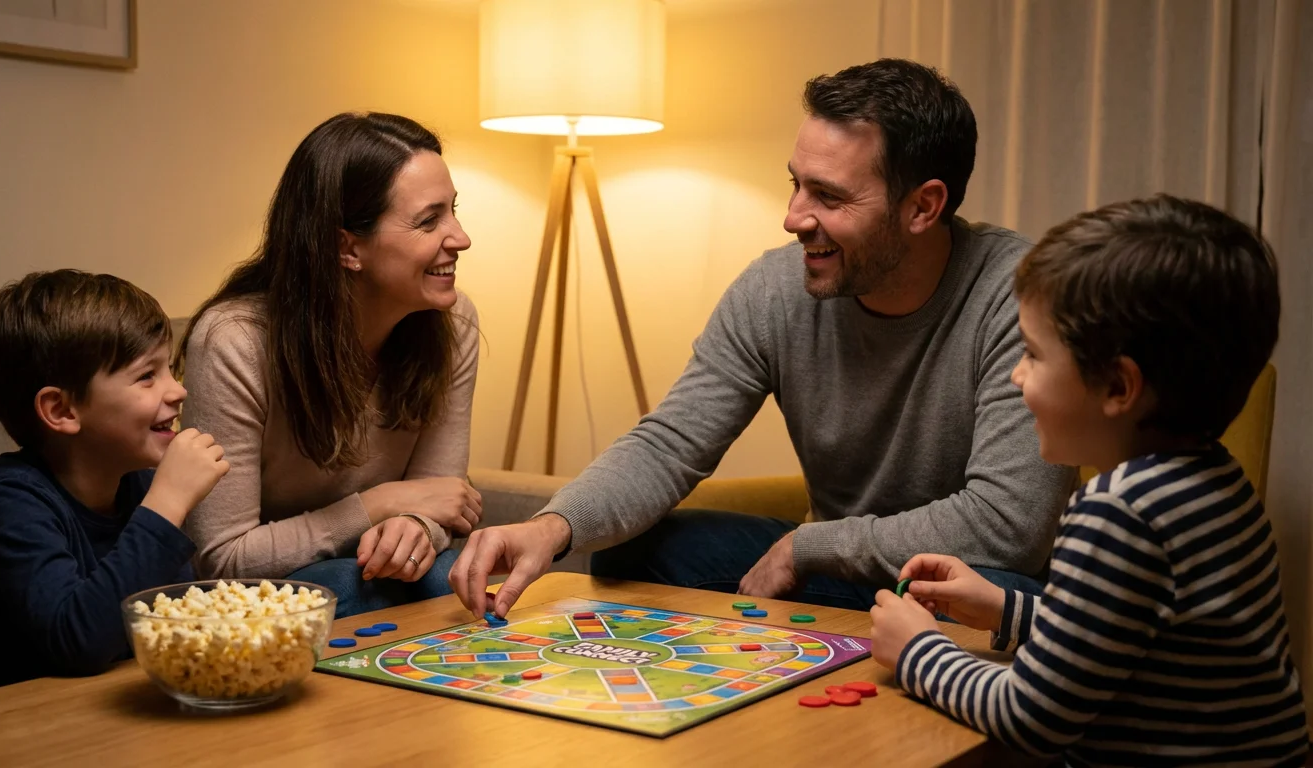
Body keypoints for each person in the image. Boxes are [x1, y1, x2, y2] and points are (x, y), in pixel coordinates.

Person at [451, 58, 1076, 617]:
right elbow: (671, 443)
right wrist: (554, 525)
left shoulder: (1020, 295)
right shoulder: (775, 288)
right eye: (795, 183)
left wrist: (809, 546)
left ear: (923, 207)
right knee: (641, 548)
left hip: (967, 582)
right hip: (841, 573)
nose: (794, 217)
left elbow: (1008, 524)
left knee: (989, 587)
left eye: (828, 195)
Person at [869, 195, 1308, 766]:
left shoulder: (1116, 510)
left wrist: (917, 652)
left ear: (1118, 389)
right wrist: (1005, 608)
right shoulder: (1216, 479)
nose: (1015, 374)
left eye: (1032, 353)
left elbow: (1032, 718)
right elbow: (1127, 643)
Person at [178, 112, 482, 618]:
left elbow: (440, 499)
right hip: (251, 606)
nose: (461, 238)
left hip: (382, 577)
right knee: (346, 583)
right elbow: (221, 561)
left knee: (439, 571)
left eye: (453, 211)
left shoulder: (452, 321)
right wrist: (379, 505)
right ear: (348, 247)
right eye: (430, 221)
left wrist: (415, 529)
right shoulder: (233, 342)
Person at [0, 270, 229, 699]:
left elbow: (172, 618)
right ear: (62, 410)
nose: (178, 390)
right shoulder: (9, 504)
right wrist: (168, 502)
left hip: (97, 708)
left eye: (170, 369)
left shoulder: (138, 484)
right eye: (147, 375)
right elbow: (79, 640)